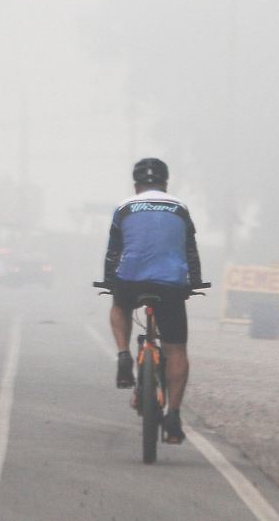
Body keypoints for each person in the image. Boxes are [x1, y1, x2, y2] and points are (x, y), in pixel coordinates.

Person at [104, 157, 202, 444]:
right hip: (170, 282)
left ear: (137, 185)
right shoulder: (180, 208)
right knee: (176, 350)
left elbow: (114, 252)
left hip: (132, 279)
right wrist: (193, 282)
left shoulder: (124, 208)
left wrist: (110, 281)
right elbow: (191, 251)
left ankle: (124, 356)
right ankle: (173, 415)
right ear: (165, 183)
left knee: (119, 306)